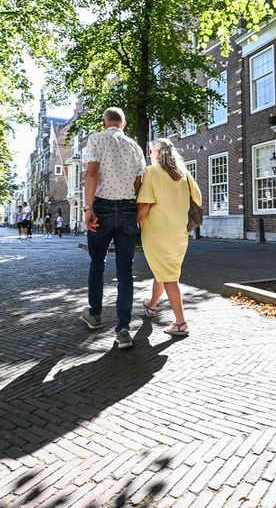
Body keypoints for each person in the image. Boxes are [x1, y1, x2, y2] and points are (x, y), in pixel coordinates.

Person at [80, 107, 146, 349]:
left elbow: (91, 173)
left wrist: (89, 207)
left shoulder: (96, 139)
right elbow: (139, 183)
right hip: (128, 209)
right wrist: (134, 212)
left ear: (104, 122)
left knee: (97, 264)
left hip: (102, 208)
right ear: (123, 125)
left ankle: (95, 314)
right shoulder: (135, 146)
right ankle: (124, 329)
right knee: (125, 271)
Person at [137, 138, 202, 337]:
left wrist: (133, 223)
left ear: (157, 154)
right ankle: (151, 305)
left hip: (157, 234)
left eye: (151, 152)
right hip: (179, 234)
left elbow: (145, 205)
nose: (150, 155)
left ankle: (181, 322)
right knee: (164, 272)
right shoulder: (185, 175)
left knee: (169, 277)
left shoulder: (151, 172)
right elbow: (198, 199)